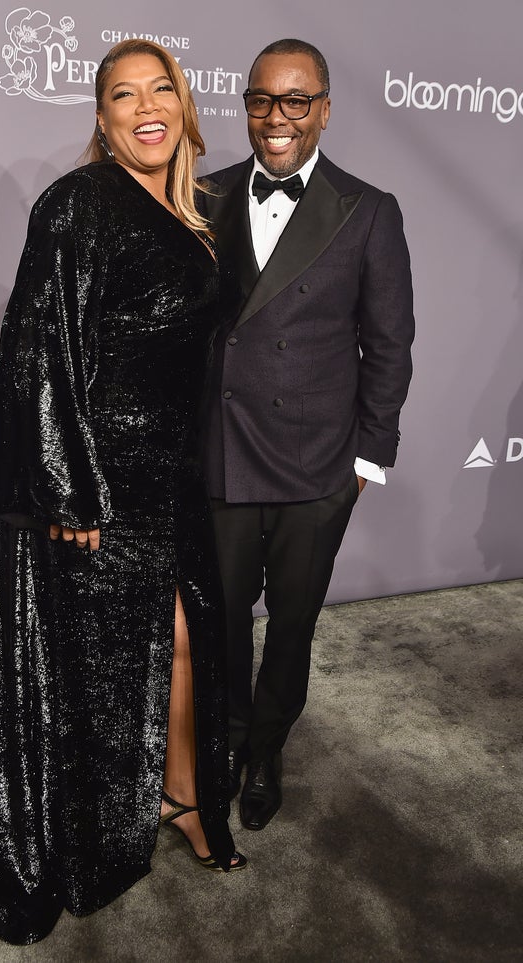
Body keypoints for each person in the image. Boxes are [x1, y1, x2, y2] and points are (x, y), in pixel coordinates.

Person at [0, 38, 245, 946]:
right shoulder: (79, 203)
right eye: (122, 96)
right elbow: (39, 350)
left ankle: (178, 793)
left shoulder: (187, 210)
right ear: (102, 119)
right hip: (99, 488)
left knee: (180, 646)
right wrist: (70, 490)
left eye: (158, 88)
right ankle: (99, 833)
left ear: (184, 103)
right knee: (102, 672)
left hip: (168, 481)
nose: (144, 108)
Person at [201, 39, 414, 831]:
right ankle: (223, 736)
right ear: (246, 106)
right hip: (222, 451)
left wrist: (367, 459)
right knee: (221, 614)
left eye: (296, 101)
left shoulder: (368, 209)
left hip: (317, 466)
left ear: (323, 110)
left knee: (292, 622)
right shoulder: (204, 195)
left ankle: (266, 744)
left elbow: (389, 343)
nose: (277, 119)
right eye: (262, 100)